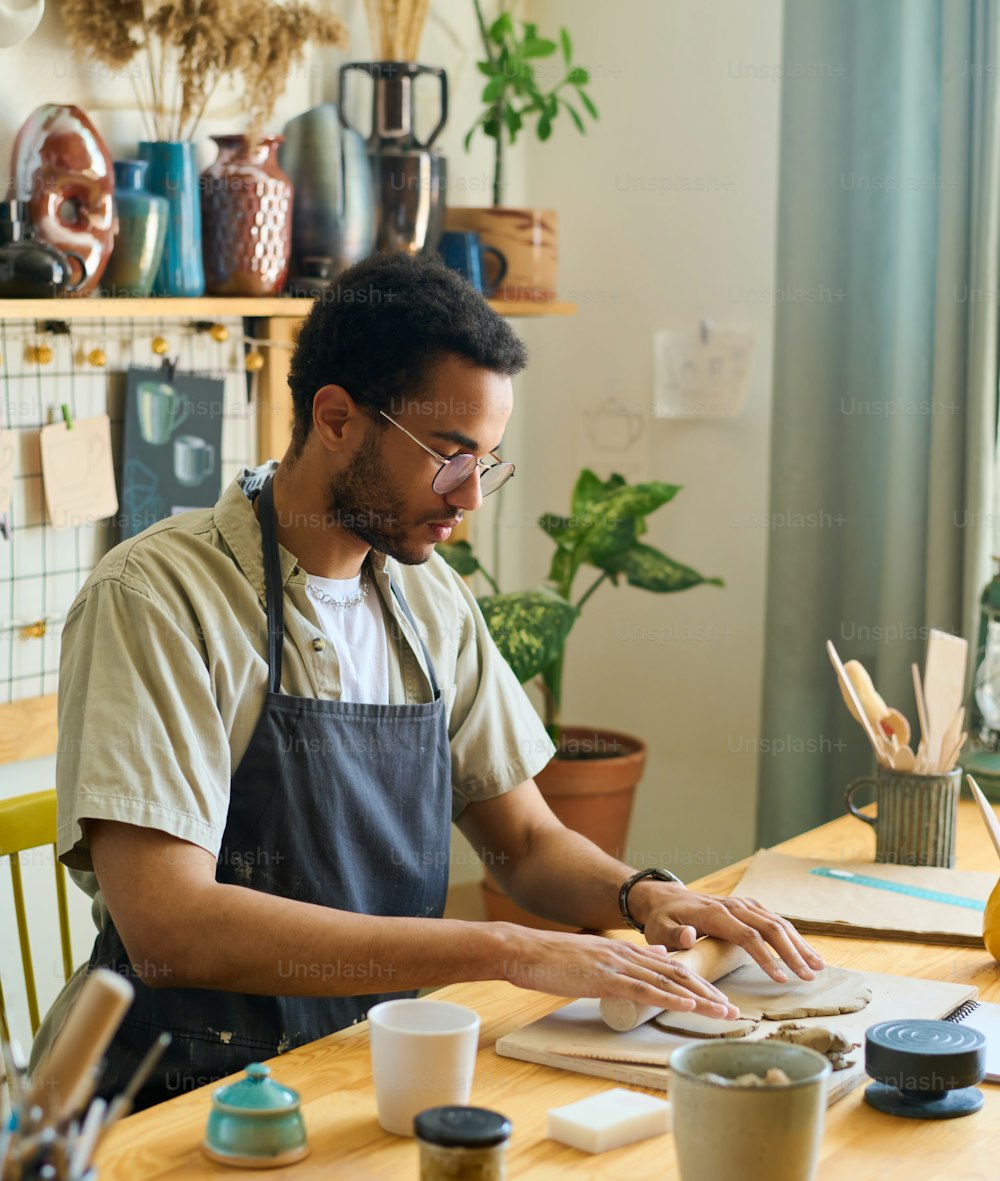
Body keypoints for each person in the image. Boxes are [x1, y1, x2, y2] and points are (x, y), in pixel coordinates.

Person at [33, 252, 822, 1107]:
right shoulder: (156, 599)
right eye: (451, 457)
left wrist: (641, 895)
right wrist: (503, 950)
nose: (472, 498)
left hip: (368, 1065)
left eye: (487, 462)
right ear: (335, 418)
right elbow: (170, 928)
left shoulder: (426, 596)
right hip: (182, 1095)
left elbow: (523, 843)